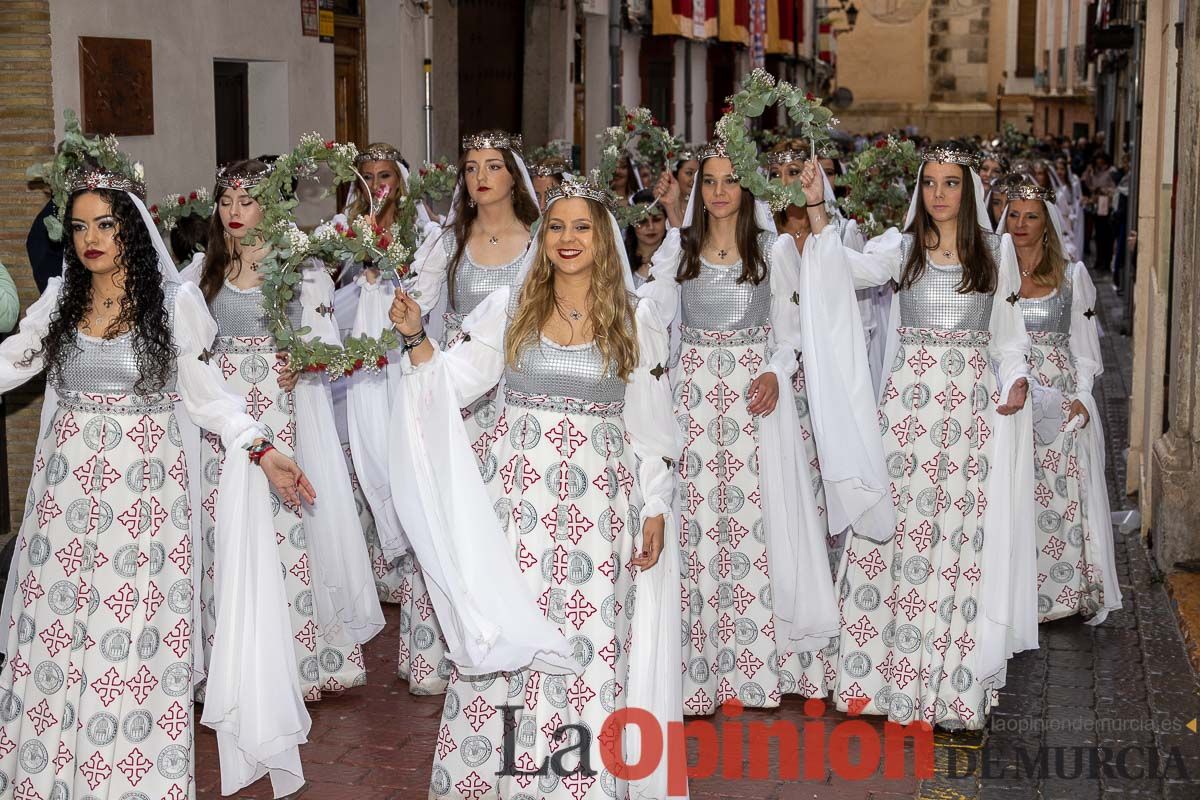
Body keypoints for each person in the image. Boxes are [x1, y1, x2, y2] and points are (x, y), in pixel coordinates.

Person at [0, 160, 315, 798]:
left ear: (133, 231)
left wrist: (260, 448)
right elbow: (12, 363)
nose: (91, 239)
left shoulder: (176, 306)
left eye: (106, 225)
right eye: (81, 226)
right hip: (65, 503)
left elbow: (207, 398)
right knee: (61, 637)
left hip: (143, 502)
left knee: (130, 644)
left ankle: (133, 779)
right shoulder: (60, 300)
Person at [387, 176, 683, 799]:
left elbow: (652, 428)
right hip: (516, 508)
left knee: (589, 643)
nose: (567, 239)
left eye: (581, 227)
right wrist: (417, 337)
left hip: (599, 513)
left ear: (603, 238)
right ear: (542, 237)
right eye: (556, 226)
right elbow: (453, 382)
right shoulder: (509, 309)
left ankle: (580, 786)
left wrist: (655, 505)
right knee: (510, 641)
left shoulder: (638, 320)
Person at [797, 142, 1035, 730]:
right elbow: (840, 270)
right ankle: (878, 679)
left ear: (969, 191)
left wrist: (1019, 379)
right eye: (929, 182)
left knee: (958, 543)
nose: (938, 193)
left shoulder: (996, 253)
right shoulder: (899, 250)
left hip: (971, 422)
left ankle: (949, 685)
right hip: (908, 413)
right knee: (897, 536)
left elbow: (1008, 339)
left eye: (950, 183)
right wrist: (818, 207)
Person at [639, 142, 837, 713]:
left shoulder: (773, 251)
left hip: (754, 406)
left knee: (756, 526)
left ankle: (756, 665)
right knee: (698, 525)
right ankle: (698, 673)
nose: (720, 192)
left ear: (746, 189)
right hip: (694, 402)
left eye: (730, 181)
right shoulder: (681, 249)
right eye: (710, 182)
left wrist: (777, 371)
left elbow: (792, 331)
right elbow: (654, 314)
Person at [184, 159, 384, 703]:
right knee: (224, 530)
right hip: (225, 417)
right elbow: (190, 346)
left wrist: (303, 363)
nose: (233, 213)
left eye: (245, 201)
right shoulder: (204, 272)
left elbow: (329, 349)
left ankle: (295, 663)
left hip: (279, 407)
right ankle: (234, 661)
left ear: (268, 205)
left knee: (281, 531)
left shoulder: (299, 266)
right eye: (225, 201)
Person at [383, 130, 539, 693]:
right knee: (447, 506)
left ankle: (503, 631)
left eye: (492, 166)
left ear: (513, 177)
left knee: (500, 515)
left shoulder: (541, 239)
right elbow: (418, 307)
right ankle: (441, 653)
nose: (480, 177)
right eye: (471, 167)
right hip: (458, 387)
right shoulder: (447, 242)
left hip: (517, 390)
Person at [1004, 179, 1121, 624]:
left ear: (1047, 223)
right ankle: (1011, 594)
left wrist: (1082, 398)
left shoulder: (1072, 277)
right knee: (1013, 492)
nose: (1020, 224)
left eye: (1031, 215)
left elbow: (1087, 350)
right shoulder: (994, 275)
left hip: (1058, 398)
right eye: (1013, 214)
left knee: (1056, 496)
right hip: (1012, 394)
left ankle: (1058, 594)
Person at [623, 188, 667, 286]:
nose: (650, 227)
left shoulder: (675, 258)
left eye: (657, 219)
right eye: (642, 221)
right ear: (632, 223)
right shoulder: (620, 260)